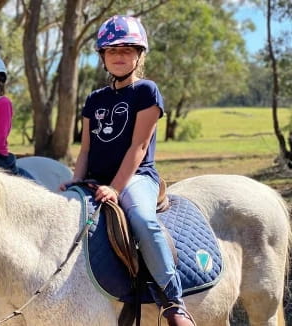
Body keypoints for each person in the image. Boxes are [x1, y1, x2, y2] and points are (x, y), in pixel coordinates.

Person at [60, 15, 195, 326]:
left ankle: (173, 301)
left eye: (127, 50)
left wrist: (117, 188)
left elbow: (138, 147)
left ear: (139, 55)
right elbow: (85, 150)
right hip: (95, 179)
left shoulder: (146, 91)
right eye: (112, 51)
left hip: (136, 178)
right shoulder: (94, 100)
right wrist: (76, 181)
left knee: (143, 220)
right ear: (103, 57)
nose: (119, 56)